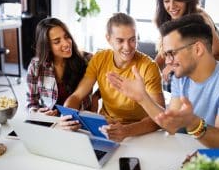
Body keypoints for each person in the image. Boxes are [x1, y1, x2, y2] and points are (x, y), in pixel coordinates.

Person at [107, 14, 219, 148]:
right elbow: (171, 126)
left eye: (171, 53)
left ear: (197, 49)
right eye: (166, 55)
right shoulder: (181, 77)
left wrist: (192, 123)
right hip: (192, 154)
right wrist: (142, 97)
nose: (168, 62)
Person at [62, 13, 165, 142]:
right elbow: (77, 96)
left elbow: (160, 119)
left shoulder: (149, 67)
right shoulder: (99, 59)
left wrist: (127, 131)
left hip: (139, 133)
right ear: (109, 39)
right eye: (120, 40)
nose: (127, 47)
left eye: (132, 40)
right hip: (105, 128)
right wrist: (67, 115)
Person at [154, 0, 219, 81]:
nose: (171, 6)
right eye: (166, 1)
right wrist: (147, 71)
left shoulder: (201, 19)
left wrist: (176, 65)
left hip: (208, 83)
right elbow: (164, 55)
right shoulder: (173, 19)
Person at [26, 17, 92, 117]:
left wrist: (96, 97)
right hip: (51, 121)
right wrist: (37, 112)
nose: (66, 43)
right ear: (47, 46)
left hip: (81, 120)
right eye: (57, 41)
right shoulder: (35, 66)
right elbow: (31, 102)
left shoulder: (87, 60)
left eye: (66, 37)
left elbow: (110, 73)